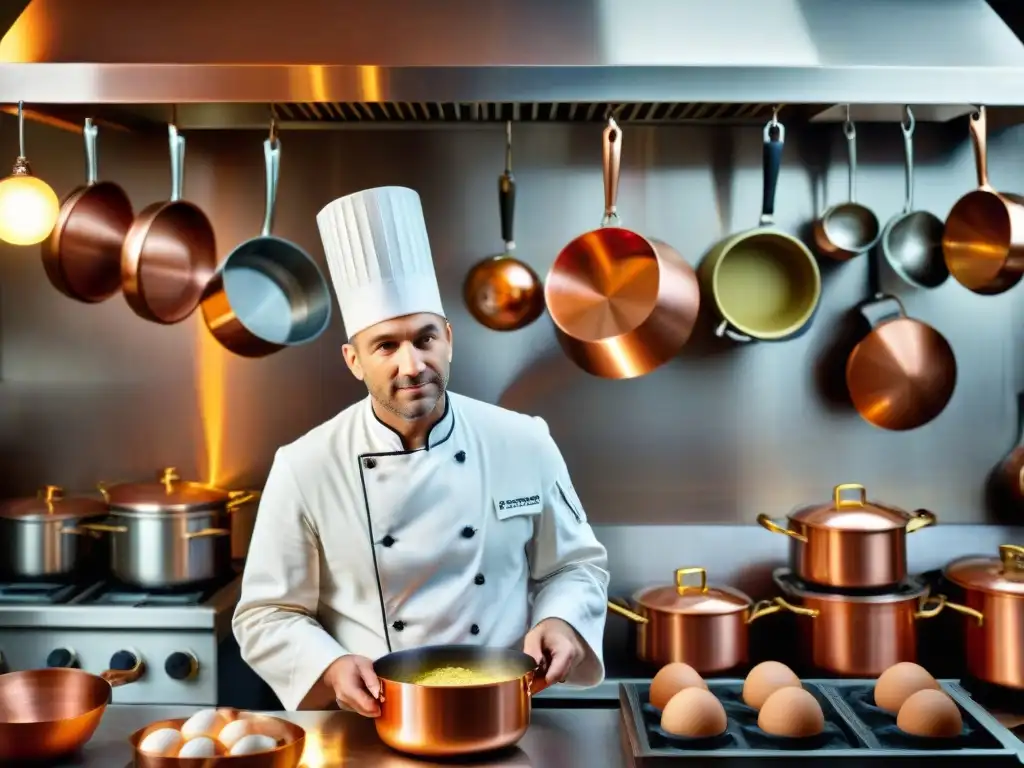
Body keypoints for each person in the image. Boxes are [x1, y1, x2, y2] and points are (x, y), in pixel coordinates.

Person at [232, 186, 610, 714]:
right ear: (353, 359)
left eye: (425, 338)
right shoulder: (305, 465)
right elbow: (267, 613)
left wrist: (561, 620)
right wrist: (330, 666)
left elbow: (576, 567)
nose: (411, 364)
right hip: (376, 720)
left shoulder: (523, 440)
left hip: (505, 708)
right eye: (386, 345)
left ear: (449, 339)